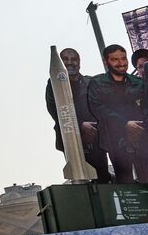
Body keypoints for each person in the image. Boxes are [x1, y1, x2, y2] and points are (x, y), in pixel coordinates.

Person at [45, 47, 112, 183]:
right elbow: (56, 111)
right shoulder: (53, 84)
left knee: (102, 179)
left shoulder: (91, 83)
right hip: (71, 139)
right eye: (65, 59)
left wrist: (94, 127)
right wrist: (80, 126)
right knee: (80, 184)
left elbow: (102, 108)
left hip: (96, 140)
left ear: (79, 63)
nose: (70, 62)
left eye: (74, 59)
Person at [87, 44, 148, 182]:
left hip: (142, 140)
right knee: (126, 185)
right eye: (115, 59)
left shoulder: (138, 83)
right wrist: (124, 125)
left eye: (123, 58)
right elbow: (97, 109)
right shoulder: (97, 83)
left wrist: (139, 127)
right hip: (116, 143)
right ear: (106, 61)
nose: (121, 63)